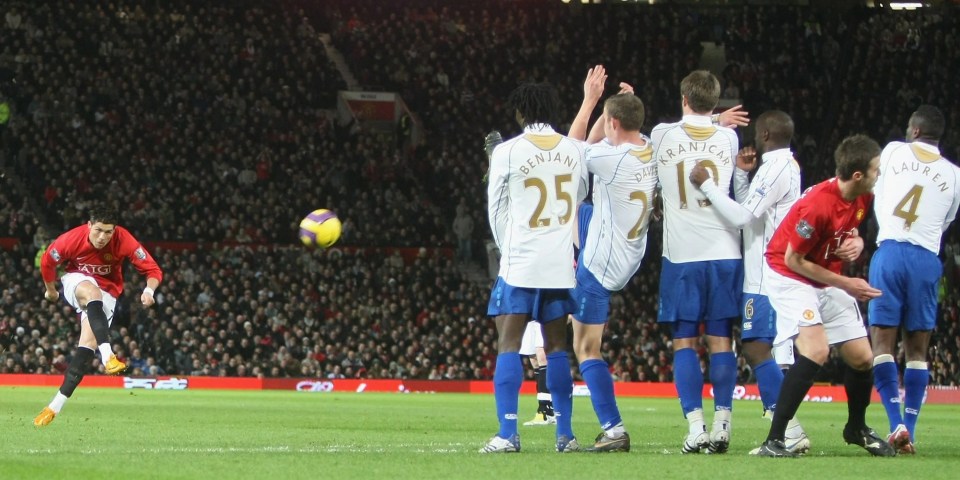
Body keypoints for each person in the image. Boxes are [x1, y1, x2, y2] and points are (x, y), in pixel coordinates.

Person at [755, 135, 895, 457]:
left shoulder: (862, 197)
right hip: (788, 275)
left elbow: (853, 232)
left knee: (862, 357)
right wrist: (847, 284)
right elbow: (793, 259)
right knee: (816, 350)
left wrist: (857, 244)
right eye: (875, 170)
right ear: (858, 175)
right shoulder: (818, 205)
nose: (879, 176)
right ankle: (775, 440)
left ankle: (855, 428)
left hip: (821, 275)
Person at [688, 110, 810, 454]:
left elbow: (742, 217)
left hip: (764, 274)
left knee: (757, 348)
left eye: (757, 134)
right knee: (757, 348)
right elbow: (752, 210)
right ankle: (786, 427)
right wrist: (741, 177)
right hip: (764, 269)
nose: (753, 141)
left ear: (767, 134)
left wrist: (707, 184)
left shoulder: (776, 169)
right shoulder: (783, 166)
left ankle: (788, 428)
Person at [480, 80, 589, 453]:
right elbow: (581, 195)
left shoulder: (507, 152)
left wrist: (507, 247)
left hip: (520, 262)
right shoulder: (574, 150)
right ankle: (566, 435)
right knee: (558, 347)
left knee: (509, 344)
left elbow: (495, 208)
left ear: (520, 112)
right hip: (559, 263)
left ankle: (508, 434)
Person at [651, 70, 741, 454]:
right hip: (725, 254)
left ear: (683, 98)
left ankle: (695, 428)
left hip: (683, 256)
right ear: (715, 102)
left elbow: (680, 130)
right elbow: (708, 125)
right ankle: (723, 425)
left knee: (684, 340)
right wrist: (718, 120)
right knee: (722, 340)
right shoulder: (730, 138)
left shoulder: (662, 135)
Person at [869, 105, 960, 454]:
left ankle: (896, 425)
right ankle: (912, 428)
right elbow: (945, 221)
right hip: (926, 258)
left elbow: (878, 187)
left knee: (883, 343)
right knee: (918, 349)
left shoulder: (894, 150)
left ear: (916, 131)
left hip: (890, 252)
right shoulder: (954, 175)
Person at [33, 207, 163, 427]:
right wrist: (52, 290)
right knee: (92, 293)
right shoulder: (71, 240)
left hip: (108, 292)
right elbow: (47, 262)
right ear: (89, 226)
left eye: (108, 232)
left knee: (85, 349)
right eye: (99, 230)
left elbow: (153, 270)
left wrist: (149, 291)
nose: (103, 237)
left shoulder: (123, 239)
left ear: (115, 230)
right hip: (77, 279)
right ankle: (108, 356)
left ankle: (53, 407)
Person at [519, 321, 555, 426]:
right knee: (534, 360)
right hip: (528, 319)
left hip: (541, 316)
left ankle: (545, 409)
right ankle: (546, 411)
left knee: (541, 354)